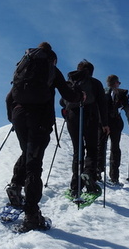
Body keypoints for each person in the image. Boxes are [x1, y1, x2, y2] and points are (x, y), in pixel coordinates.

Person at [6, 42, 84, 232]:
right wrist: (80, 96)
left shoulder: (23, 67)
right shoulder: (51, 70)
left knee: (27, 152)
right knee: (34, 163)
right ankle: (32, 215)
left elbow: (9, 97)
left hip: (19, 115)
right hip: (39, 119)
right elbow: (68, 95)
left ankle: (15, 186)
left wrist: (13, 119)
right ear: (53, 59)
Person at [61, 60, 109, 197]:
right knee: (92, 149)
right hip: (90, 116)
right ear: (91, 71)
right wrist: (105, 124)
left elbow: (62, 101)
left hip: (72, 116)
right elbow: (102, 103)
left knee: (78, 150)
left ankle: (75, 186)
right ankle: (88, 174)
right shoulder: (95, 83)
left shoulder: (70, 82)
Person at [98, 74, 129, 184]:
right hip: (115, 123)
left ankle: (98, 172)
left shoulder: (101, 92)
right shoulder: (120, 93)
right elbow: (127, 109)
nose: (119, 85)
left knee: (100, 147)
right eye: (118, 83)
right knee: (115, 148)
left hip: (101, 122)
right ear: (115, 83)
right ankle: (114, 177)